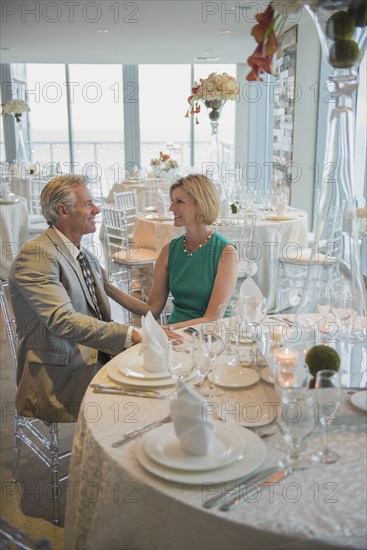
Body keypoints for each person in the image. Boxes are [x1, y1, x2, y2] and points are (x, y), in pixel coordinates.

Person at [9, 174, 145, 423]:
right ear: (62, 210)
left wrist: (159, 318)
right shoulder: (37, 255)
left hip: (95, 355)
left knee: (160, 379)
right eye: (88, 204)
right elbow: (63, 321)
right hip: (61, 373)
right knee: (144, 398)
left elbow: (111, 294)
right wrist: (129, 335)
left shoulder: (85, 254)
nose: (97, 209)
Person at [105, 174, 238, 329]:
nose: (171, 208)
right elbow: (152, 309)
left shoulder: (225, 252)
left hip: (212, 335)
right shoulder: (170, 250)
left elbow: (212, 318)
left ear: (200, 206)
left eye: (179, 202)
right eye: (172, 201)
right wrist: (107, 287)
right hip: (175, 333)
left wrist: (167, 329)